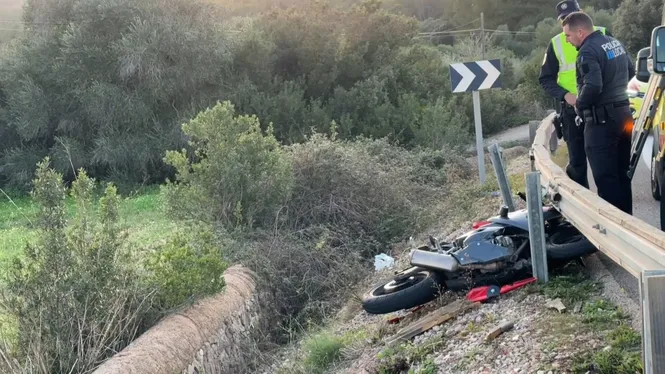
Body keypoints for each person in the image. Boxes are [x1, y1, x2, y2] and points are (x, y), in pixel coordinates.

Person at [562, 11, 634, 215]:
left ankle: (614, 233)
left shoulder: (587, 52)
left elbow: (593, 85)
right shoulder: (613, 42)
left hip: (602, 122)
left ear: (580, 32)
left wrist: (580, 105)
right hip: (623, 115)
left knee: (605, 178)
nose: (567, 41)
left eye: (568, 35)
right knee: (622, 174)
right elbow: (631, 70)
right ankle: (629, 225)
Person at [539, 0, 610, 189]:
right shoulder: (555, 43)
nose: (566, 20)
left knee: (605, 162)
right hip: (572, 111)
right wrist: (565, 95)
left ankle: (609, 208)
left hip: (600, 108)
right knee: (577, 165)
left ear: (581, 13)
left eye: (570, 15)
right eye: (563, 18)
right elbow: (545, 79)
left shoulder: (603, 34)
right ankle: (582, 210)